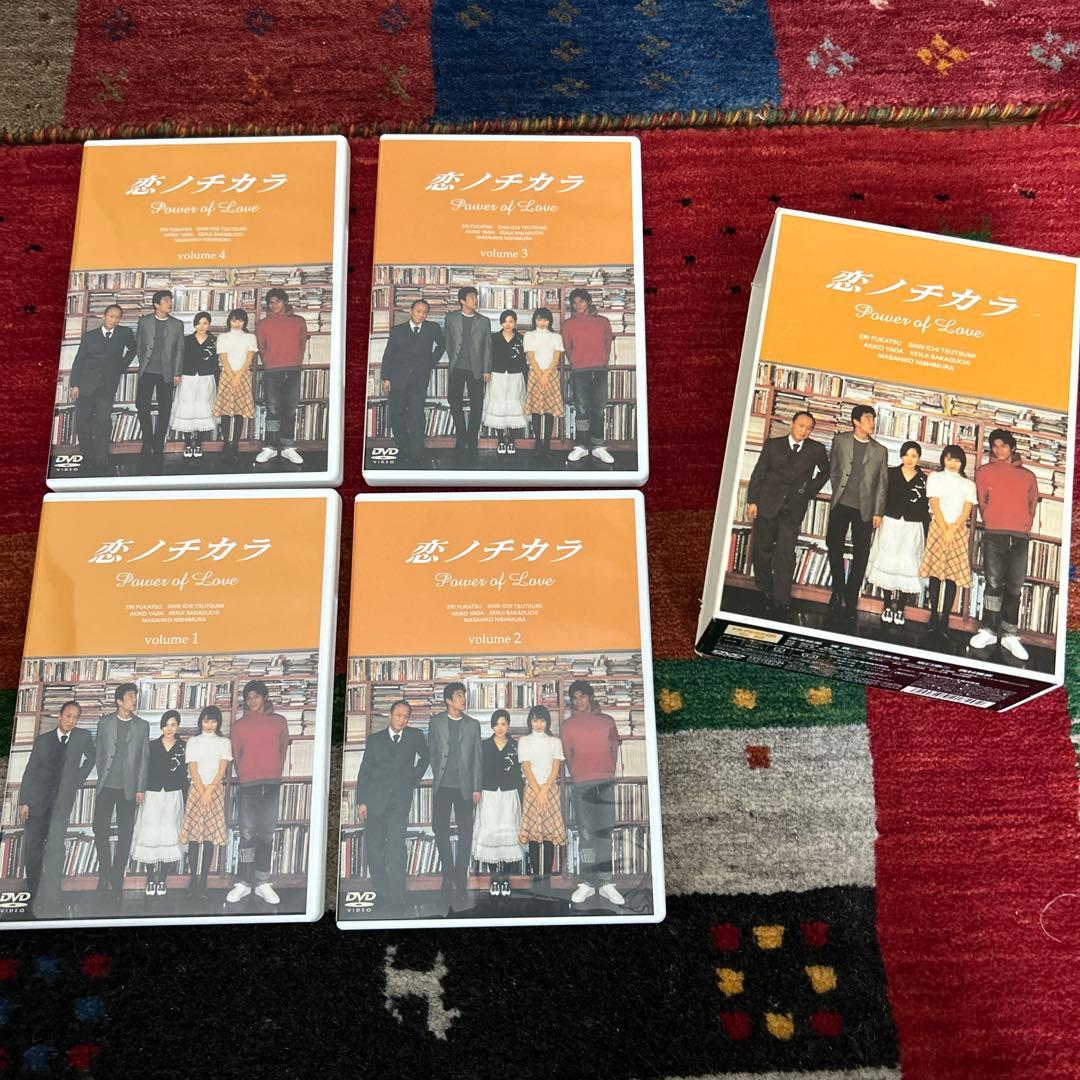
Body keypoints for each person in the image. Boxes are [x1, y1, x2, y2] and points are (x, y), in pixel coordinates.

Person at [745, 411, 830, 619]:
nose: (804, 431)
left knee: (785, 553)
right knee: (762, 549)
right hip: (767, 504)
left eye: (809, 428)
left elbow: (826, 471)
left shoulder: (816, 449)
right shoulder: (772, 445)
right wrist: (752, 500)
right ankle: (765, 588)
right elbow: (759, 473)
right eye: (801, 425)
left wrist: (808, 490)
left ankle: (781, 599)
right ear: (792, 424)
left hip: (793, 509)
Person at [969, 428, 1040, 661]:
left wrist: (1024, 525)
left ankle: (1009, 634)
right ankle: (990, 630)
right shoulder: (984, 472)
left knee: (1015, 587)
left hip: (1019, 536)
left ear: (1013, 448)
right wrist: (991, 520)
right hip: (994, 533)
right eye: (995, 446)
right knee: (993, 583)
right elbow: (982, 501)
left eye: (1004, 446)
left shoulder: (1028, 476)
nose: (999, 450)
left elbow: (1032, 504)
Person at [355, 700, 430, 914]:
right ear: (390, 715)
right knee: (375, 850)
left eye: (406, 716)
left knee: (397, 850)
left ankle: (398, 897)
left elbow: (426, 757)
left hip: (399, 802)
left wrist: (412, 779)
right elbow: (364, 771)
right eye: (399, 715)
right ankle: (382, 893)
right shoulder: (375, 740)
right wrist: (362, 801)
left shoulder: (415, 736)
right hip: (375, 802)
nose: (402, 720)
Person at [19, 701, 94, 914]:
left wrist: (77, 779)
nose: (71, 721)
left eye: (75, 717)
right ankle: (33, 892)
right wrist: (24, 801)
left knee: (55, 848)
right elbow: (30, 771)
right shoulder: (43, 741)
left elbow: (92, 758)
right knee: (34, 848)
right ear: (60, 716)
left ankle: (53, 895)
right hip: (37, 802)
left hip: (61, 803)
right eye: (68, 716)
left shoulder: (82, 737)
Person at [227, 681, 290, 906]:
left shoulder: (279, 722)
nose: (252, 701)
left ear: (265, 697)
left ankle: (262, 882)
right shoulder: (238, 726)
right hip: (248, 786)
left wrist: (274, 771)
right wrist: (246, 773)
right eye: (248, 697)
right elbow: (236, 755)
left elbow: (282, 750)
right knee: (247, 836)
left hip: (271, 784)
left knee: (266, 835)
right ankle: (244, 882)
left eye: (256, 696)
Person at [560, 681, 624, 907]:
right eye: (574, 698)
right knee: (587, 835)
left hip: (605, 782)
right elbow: (568, 754)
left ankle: (605, 882)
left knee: (604, 834)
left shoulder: (608, 721)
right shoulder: (567, 725)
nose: (579, 701)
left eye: (582, 696)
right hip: (582, 784)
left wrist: (606, 772)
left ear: (590, 697)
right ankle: (588, 882)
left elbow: (614, 749)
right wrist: (579, 773)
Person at [826, 404, 889, 619]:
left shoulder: (880, 450)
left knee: (861, 553)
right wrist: (839, 490)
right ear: (856, 421)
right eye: (868, 418)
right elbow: (834, 470)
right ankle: (838, 590)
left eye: (873, 419)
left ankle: (851, 596)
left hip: (865, 509)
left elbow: (882, 484)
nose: (872, 423)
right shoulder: (840, 440)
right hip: (841, 504)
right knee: (833, 545)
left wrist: (878, 512)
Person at [427, 681, 483, 905]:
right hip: (442, 786)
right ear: (448, 700)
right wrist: (438, 774)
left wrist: (477, 787)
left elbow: (477, 757)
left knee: (465, 832)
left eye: (463, 695)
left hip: (465, 788)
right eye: (459, 695)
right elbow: (432, 752)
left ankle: (460, 879)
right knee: (439, 829)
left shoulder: (473, 725)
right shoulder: (436, 722)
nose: (463, 698)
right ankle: (448, 875)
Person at [92, 683, 151, 894]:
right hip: (106, 786)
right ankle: (105, 873)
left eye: (135, 696)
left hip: (129, 788)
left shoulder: (142, 725)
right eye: (130, 696)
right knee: (100, 829)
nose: (134, 700)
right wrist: (103, 775)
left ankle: (117, 875)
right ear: (119, 701)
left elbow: (144, 759)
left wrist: (140, 788)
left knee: (126, 832)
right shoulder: (104, 722)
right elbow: (99, 754)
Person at [865, 440, 929, 626]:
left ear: (918, 458)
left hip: (912, 526)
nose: (910, 459)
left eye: (914, 456)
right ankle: (887, 605)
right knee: (889, 560)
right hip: (890, 523)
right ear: (901, 456)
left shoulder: (924, 479)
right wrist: (877, 514)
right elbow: (880, 496)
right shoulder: (890, 473)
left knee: (907, 564)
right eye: (907, 455)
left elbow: (926, 506)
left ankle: (900, 608)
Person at [68, 303, 136, 476]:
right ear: (104, 316)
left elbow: (134, 349)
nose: (114, 320)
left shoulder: (124, 333)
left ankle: (101, 459)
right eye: (111, 316)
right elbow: (79, 361)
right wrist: (75, 384)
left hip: (107, 386)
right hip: (86, 385)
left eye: (118, 317)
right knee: (83, 422)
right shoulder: (89, 336)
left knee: (103, 422)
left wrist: (121, 366)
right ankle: (88, 456)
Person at [919, 445, 977, 636]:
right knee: (935, 574)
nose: (952, 464)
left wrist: (952, 530)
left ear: (962, 463)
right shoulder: (935, 477)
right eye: (949, 459)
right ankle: (933, 615)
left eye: (957, 460)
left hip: (958, 531)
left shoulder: (969, 484)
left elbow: (966, 511)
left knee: (952, 577)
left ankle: (945, 618)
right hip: (938, 527)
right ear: (943, 459)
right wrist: (945, 529)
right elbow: (934, 505)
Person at [380, 298, 445, 467]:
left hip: (419, 380)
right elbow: (388, 355)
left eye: (425, 312)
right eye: (418, 311)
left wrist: (430, 362)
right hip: (397, 379)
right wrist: (385, 377)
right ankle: (404, 448)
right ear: (411, 311)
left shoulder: (432, 328)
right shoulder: (397, 330)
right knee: (397, 416)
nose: (421, 315)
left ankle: (417, 452)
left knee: (416, 417)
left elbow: (442, 345)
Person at [131, 710, 187, 898]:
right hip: (152, 794)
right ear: (161, 726)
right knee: (151, 833)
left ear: (177, 726)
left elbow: (185, 774)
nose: (169, 728)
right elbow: (143, 770)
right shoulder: (151, 746)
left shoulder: (183, 746)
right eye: (166, 725)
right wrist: (140, 790)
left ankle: (162, 878)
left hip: (173, 794)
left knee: (169, 833)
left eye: (173, 725)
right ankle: (150, 878)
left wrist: (187, 797)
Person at [178, 706, 232, 899]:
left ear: (218, 722)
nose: (209, 725)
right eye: (206, 721)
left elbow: (222, 770)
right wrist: (202, 791)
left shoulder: (224, 742)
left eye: (213, 721)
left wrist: (209, 791)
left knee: (209, 837)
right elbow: (193, 769)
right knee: (194, 837)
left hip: (215, 791)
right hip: (196, 790)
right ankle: (193, 878)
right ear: (201, 721)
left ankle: (203, 881)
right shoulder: (193, 741)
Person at [254, 288, 309, 466]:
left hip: (293, 370)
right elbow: (261, 347)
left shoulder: (298, 321)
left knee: (290, 410)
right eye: (271, 302)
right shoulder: (263, 324)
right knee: (273, 410)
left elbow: (302, 344)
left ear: (285, 302)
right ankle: (271, 446)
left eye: (277, 301)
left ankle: (287, 447)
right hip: (272, 372)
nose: (274, 305)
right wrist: (270, 362)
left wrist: (295, 362)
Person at [474, 709, 525, 898]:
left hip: (509, 794)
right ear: (492, 726)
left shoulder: (515, 746)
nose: (500, 727)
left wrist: (522, 796)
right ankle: (494, 878)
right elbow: (477, 770)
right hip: (488, 794)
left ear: (508, 725)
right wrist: (477, 790)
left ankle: (506, 878)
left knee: (508, 832)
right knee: (491, 833)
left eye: (504, 724)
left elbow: (519, 773)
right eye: (497, 724)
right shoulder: (483, 745)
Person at [562, 288, 615, 465]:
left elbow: (607, 344)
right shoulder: (568, 325)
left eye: (582, 301)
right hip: (579, 372)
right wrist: (576, 362)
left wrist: (602, 361)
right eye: (575, 302)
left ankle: (598, 446)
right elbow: (568, 348)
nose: (578, 305)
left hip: (600, 370)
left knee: (599, 409)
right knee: (582, 410)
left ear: (589, 302)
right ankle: (582, 446)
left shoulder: (603, 321)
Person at [134, 289, 185, 470]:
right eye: (166, 300)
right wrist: (143, 362)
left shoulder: (177, 324)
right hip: (147, 371)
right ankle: (147, 441)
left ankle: (158, 444)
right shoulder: (144, 321)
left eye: (170, 300)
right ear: (156, 304)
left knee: (165, 408)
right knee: (142, 406)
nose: (170, 303)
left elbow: (179, 350)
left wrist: (177, 373)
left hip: (167, 373)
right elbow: (139, 344)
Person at [516, 704, 566, 887]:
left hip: (550, 790)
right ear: (530, 721)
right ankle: (536, 881)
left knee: (548, 836)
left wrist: (545, 791)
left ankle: (546, 881)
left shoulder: (555, 742)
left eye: (542, 720)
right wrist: (539, 792)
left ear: (548, 722)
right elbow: (527, 769)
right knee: (534, 836)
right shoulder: (524, 741)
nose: (538, 724)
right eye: (535, 720)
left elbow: (555, 769)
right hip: (532, 790)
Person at [442, 286, 492, 458]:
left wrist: (487, 369)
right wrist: (453, 357)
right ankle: (461, 436)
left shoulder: (484, 321)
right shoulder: (451, 318)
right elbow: (448, 340)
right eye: (472, 297)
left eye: (476, 297)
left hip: (476, 370)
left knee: (477, 404)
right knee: (454, 401)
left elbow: (487, 347)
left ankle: (471, 439)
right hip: (456, 367)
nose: (476, 300)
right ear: (462, 300)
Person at [172, 311, 218, 460]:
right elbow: (179, 358)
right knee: (187, 408)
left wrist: (218, 381)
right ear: (194, 324)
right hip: (187, 377)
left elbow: (216, 363)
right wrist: (177, 374)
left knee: (203, 407)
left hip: (206, 377)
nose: (201, 326)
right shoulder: (186, 340)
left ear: (209, 324)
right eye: (198, 323)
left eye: (205, 323)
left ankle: (198, 443)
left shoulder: (214, 341)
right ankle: (187, 443)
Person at [213, 308, 258, 463]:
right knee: (226, 412)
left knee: (239, 412)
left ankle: (235, 445)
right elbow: (223, 359)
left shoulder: (250, 337)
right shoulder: (223, 337)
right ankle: (226, 444)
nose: (237, 323)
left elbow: (249, 359)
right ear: (229, 321)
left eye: (240, 320)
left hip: (243, 376)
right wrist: (232, 377)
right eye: (234, 320)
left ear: (244, 322)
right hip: (227, 375)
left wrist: (238, 376)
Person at [482, 311, 528, 456]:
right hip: (497, 375)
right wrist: (486, 371)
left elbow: (524, 360)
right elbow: (488, 356)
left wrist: (526, 378)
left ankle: (512, 440)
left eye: (511, 321)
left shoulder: (521, 339)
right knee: (499, 405)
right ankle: (501, 440)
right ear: (501, 322)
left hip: (515, 375)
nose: (508, 324)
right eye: (505, 321)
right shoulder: (494, 337)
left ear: (515, 323)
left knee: (515, 405)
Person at [522, 307, 565, 463]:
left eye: (545, 319)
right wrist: (541, 375)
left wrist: (546, 374)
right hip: (535, 374)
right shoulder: (529, 335)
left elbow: (556, 358)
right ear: (534, 320)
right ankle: (537, 443)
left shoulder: (556, 336)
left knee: (548, 411)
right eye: (539, 319)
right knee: (535, 410)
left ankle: (546, 443)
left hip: (551, 374)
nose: (542, 322)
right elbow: (531, 357)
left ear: (550, 321)